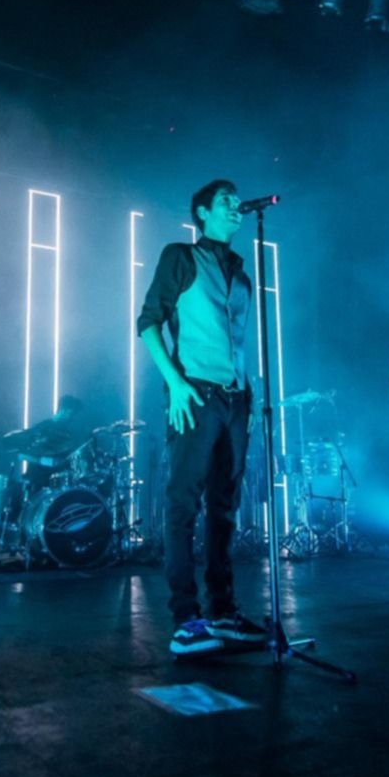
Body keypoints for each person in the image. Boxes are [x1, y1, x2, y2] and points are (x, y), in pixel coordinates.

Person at [137, 179, 268, 655]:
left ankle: (223, 610)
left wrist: (249, 396)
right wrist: (175, 383)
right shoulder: (181, 256)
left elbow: (240, 343)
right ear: (203, 212)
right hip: (195, 393)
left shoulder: (243, 274)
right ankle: (186, 619)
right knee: (183, 505)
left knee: (224, 507)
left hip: (236, 400)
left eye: (237, 201)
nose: (236, 207)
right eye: (226, 201)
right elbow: (148, 321)